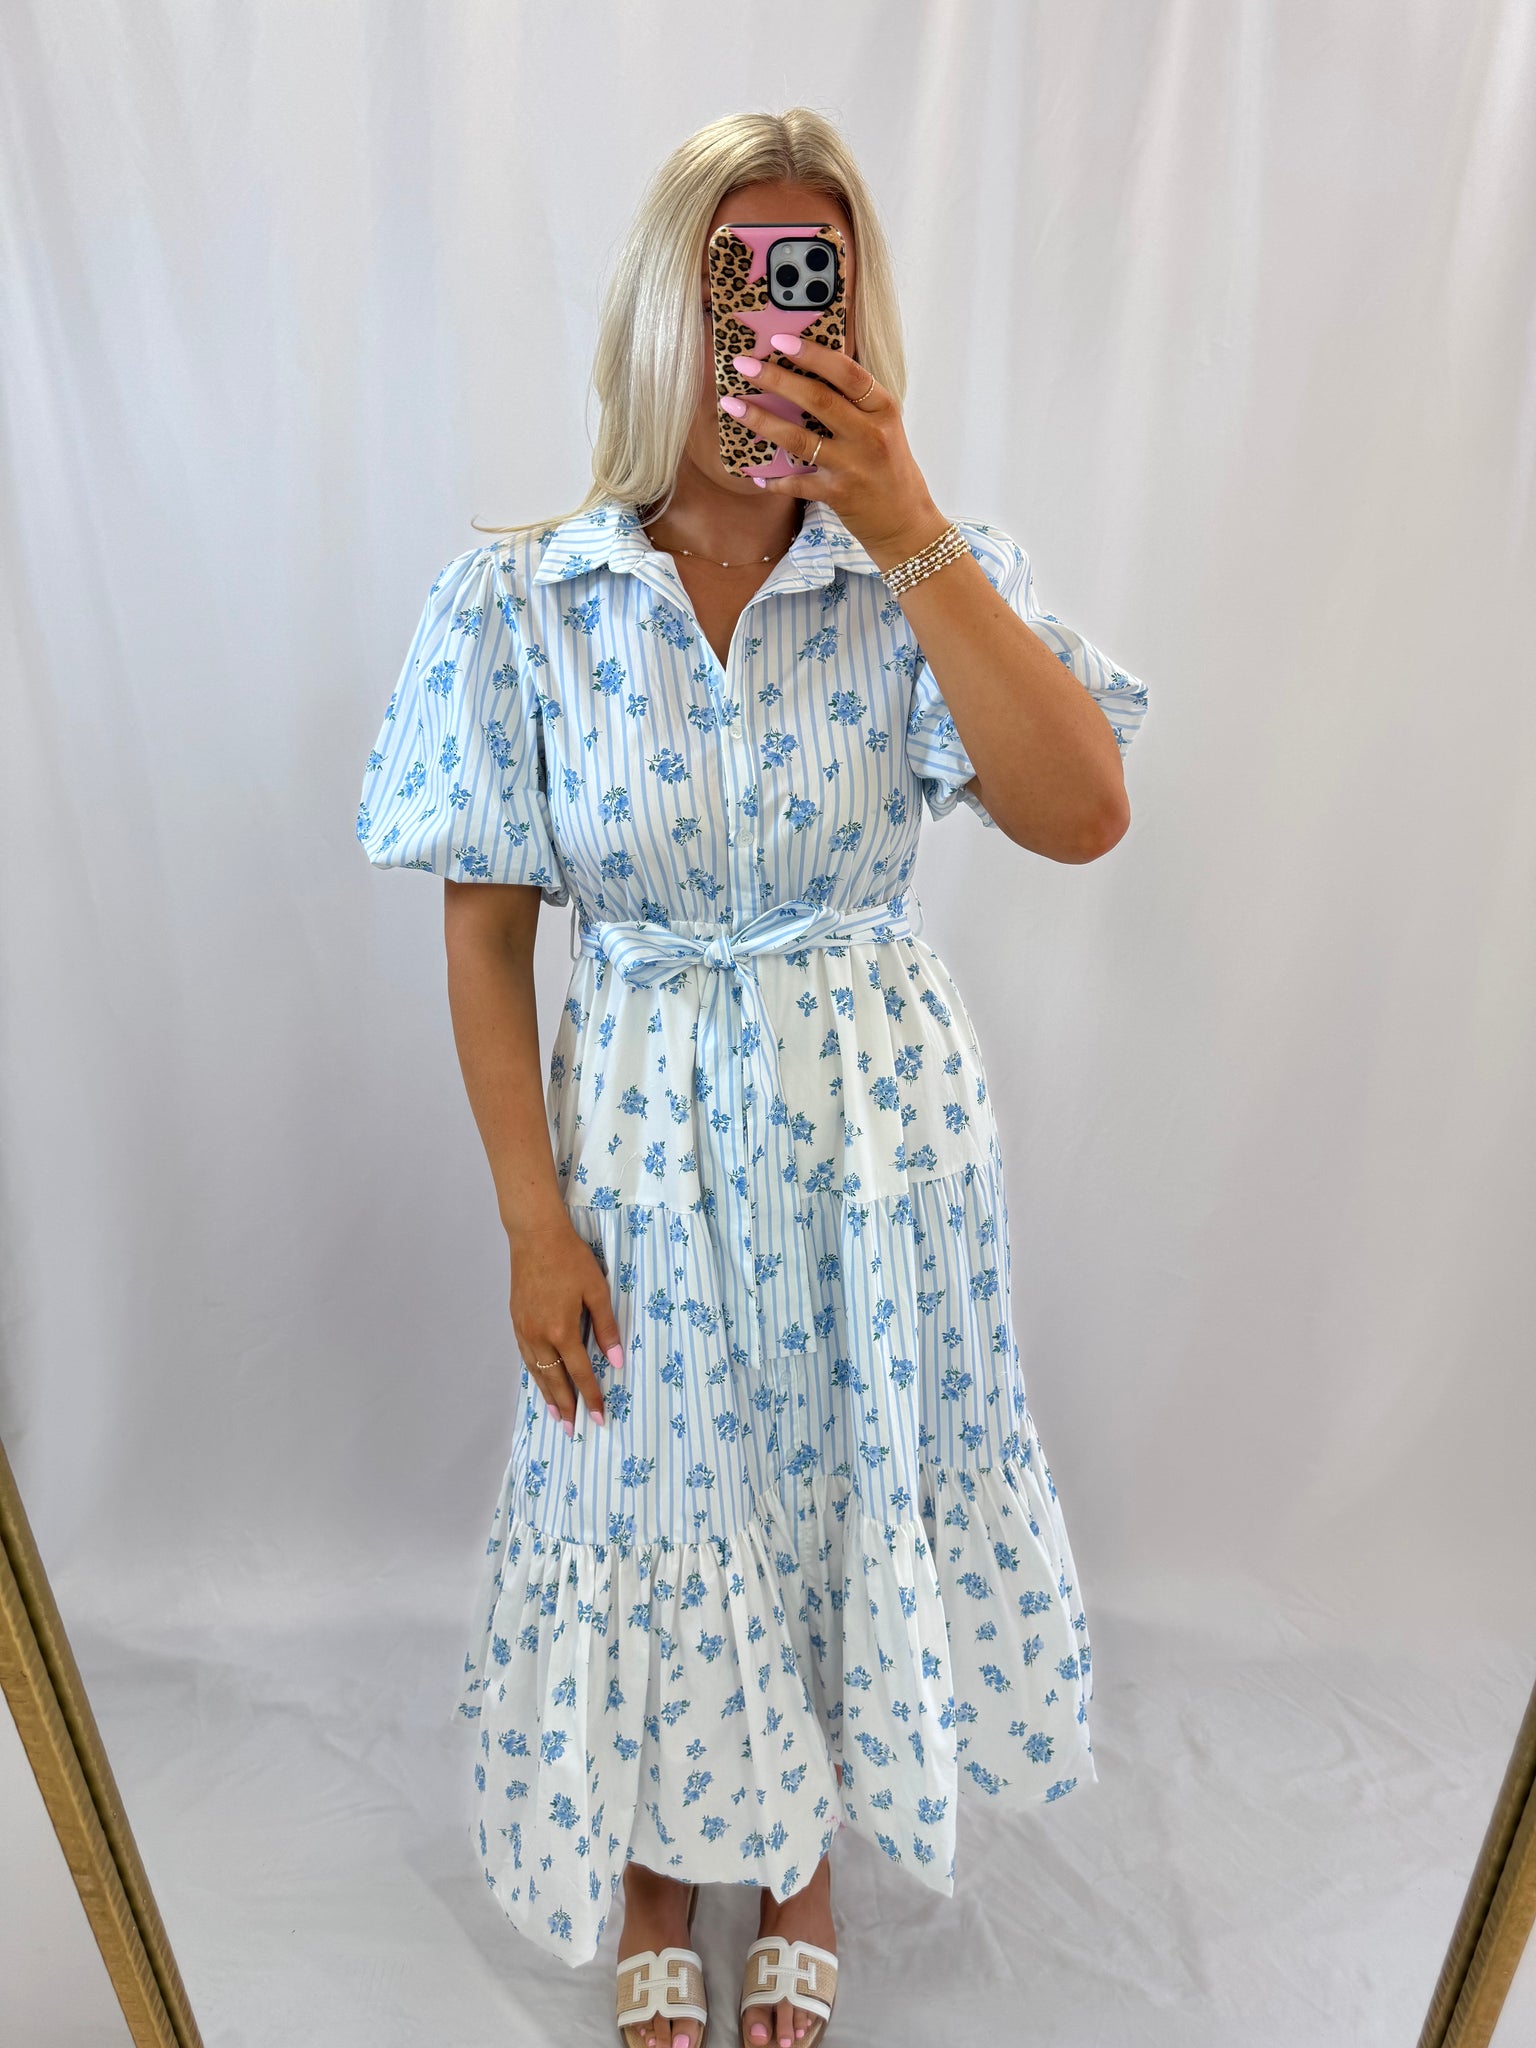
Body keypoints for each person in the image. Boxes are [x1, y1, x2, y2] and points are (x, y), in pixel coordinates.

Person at [357, 105, 1149, 2048]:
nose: (774, 330)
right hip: (637, 1125)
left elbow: (1082, 813)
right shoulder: (526, 601)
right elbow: (485, 931)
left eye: (814, 288)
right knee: (649, 1484)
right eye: (737, 287)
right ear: (665, 310)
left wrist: (909, 520)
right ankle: (658, 1857)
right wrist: (532, 1220)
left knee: (837, 1476)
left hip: (879, 1131)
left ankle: (797, 1862)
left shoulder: (924, 575)